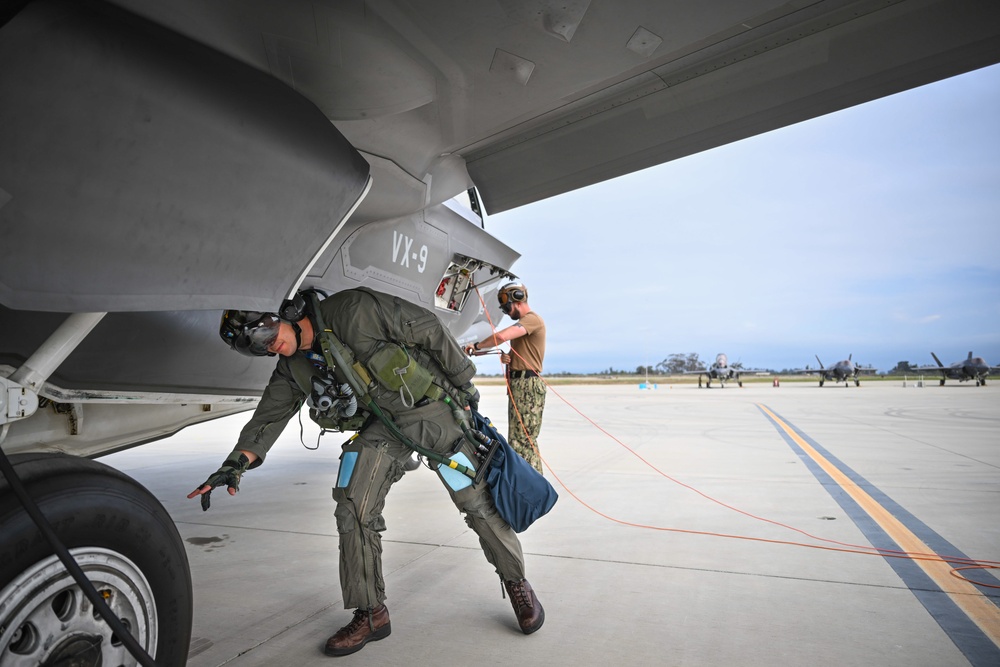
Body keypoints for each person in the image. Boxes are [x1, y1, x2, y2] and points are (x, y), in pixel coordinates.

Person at [188, 287, 544, 657]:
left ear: (284, 314)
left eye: (266, 335)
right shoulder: (293, 366)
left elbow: (428, 328)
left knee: (476, 501)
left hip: (432, 412)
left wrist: (464, 388)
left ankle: (516, 582)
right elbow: (268, 417)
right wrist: (234, 465)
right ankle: (371, 612)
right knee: (353, 505)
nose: (268, 347)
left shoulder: (354, 309)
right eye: (257, 347)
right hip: (385, 426)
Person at [463, 283, 546, 475]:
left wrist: (477, 345)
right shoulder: (526, 323)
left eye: (506, 306)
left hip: (527, 386)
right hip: (520, 384)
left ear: (516, 300)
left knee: (522, 442)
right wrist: (509, 359)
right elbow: (523, 351)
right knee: (519, 440)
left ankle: (533, 487)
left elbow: (503, 335)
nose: (506, 311)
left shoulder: (531, 320)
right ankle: (531, 486)